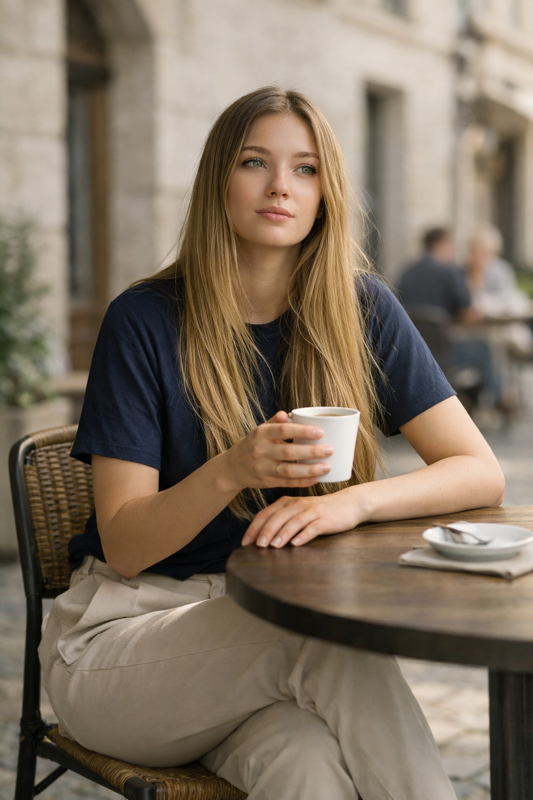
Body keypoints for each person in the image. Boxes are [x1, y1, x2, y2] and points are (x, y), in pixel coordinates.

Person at [38, 87, 505, 800]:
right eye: (256, 162)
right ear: (219, 180)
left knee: (307, 765)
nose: (281, 186)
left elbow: (477, 471)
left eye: (305, 169)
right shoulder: (144, 320)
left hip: (255, 657)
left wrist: (353, 506)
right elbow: (126, 545)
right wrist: (233, 468)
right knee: (327, 637)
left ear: (326, 193)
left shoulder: (360, 309)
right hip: (122, 644)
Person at [397, 227, 505, 409]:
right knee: (485, 347)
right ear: (444, 245)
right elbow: (468, 313)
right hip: (443, 351)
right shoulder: (450, 271)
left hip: (411, 350)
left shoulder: (406, 272)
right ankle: (496, 401)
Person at [466, 223, 533, 360]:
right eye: (473, 248)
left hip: (497, 324)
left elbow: (506, 299)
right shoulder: (464, 270)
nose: (475, 252)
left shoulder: (500, 269)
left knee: (498, 341)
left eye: (479, 248)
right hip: (473, 326)